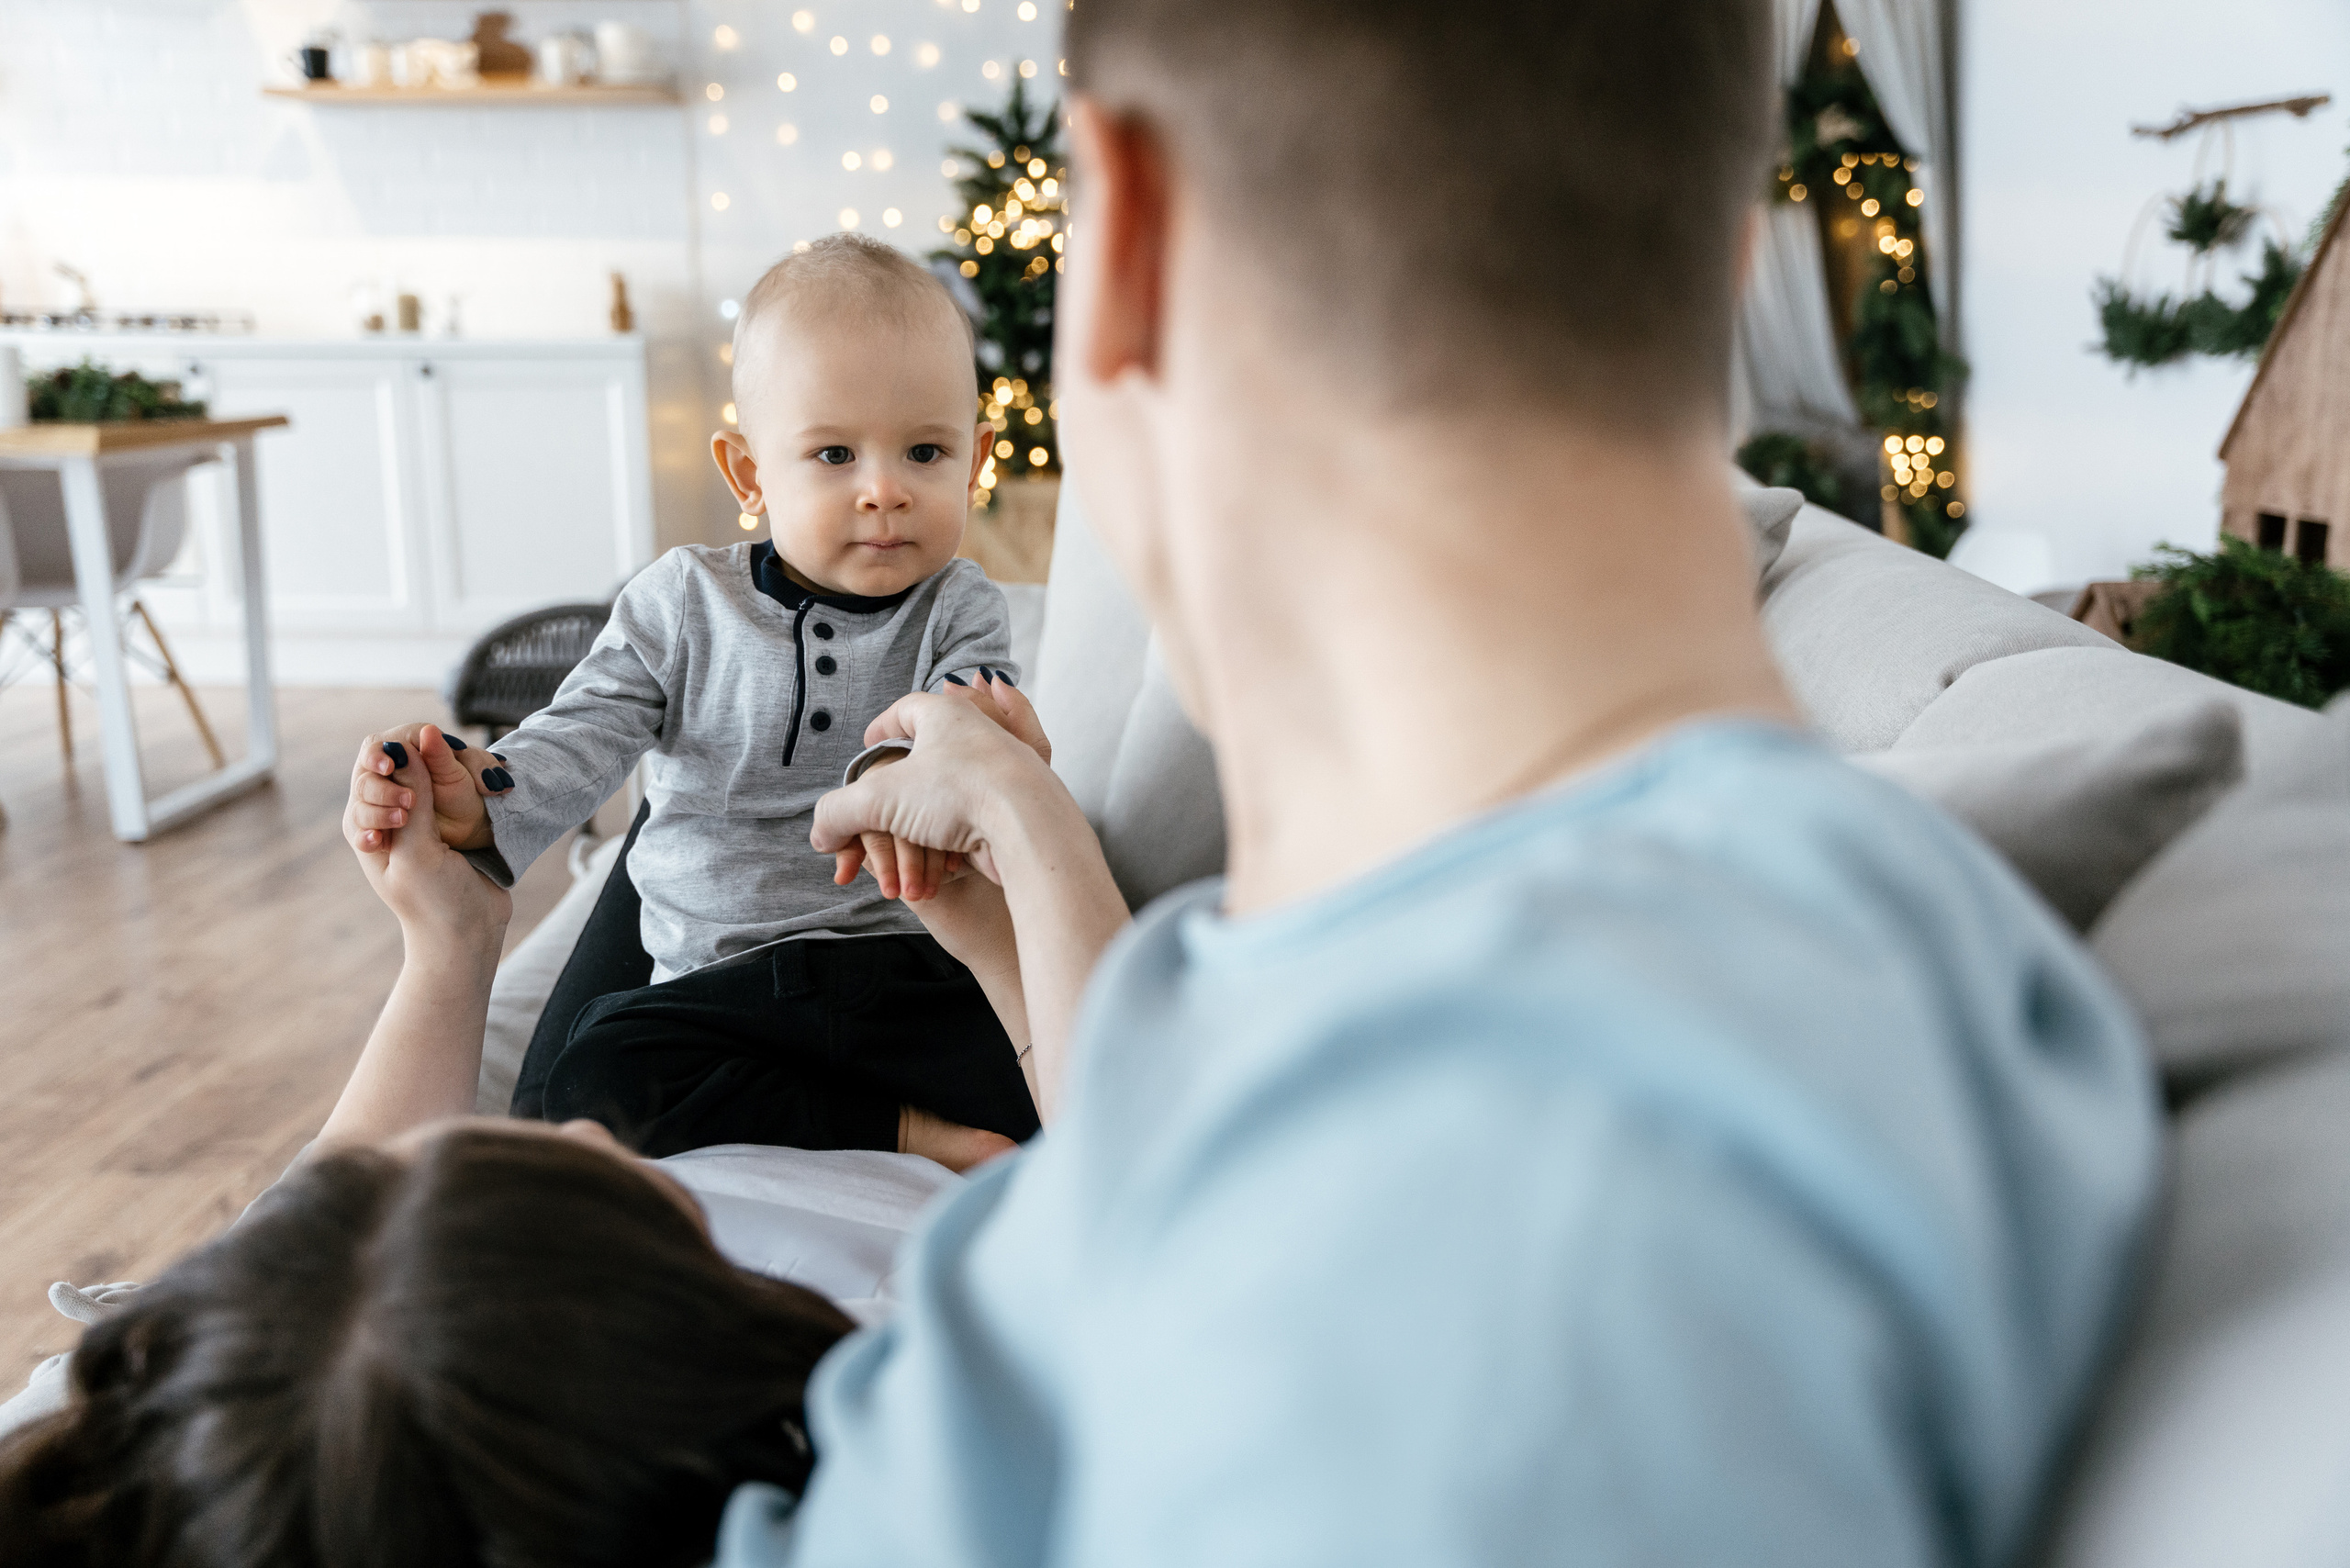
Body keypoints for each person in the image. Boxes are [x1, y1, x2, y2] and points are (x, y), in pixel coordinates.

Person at [711, 0, 2163, 1562]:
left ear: (1125, 249)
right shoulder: (1896, 956)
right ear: (1726, 268)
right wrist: (1023, 876)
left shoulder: (1509, 1207)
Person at [0, 736, 975, 1567]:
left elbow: (339, 1225)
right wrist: (1020, 830)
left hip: (661, 1083)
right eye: (606, 1212)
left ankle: (600, 856)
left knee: (696, 793)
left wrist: (446, 940)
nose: (585, 1145)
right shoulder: (896, 1387)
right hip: (885, 1093)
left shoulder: (232, 1426)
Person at [346, 235, 1032, 1170]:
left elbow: (964, 719)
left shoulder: (960, 607)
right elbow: (587, 726)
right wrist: (490, 798)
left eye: (925, 451)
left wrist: (913, 769)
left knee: (1059, 1048)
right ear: (749, 474)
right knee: (593, 1076)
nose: (885, 491)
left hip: (900, 971)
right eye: (834, 453)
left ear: (976, 459)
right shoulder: (683, 601)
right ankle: (907, 1132)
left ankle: (891, 1107)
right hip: (720, 984)